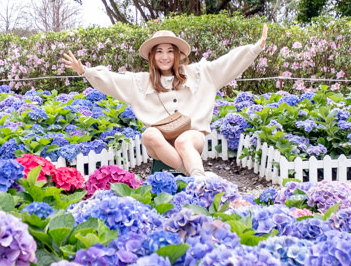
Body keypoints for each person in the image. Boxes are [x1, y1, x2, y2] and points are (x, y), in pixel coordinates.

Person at [62, 25, 268, 179]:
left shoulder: (199, 73)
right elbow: (112, 80)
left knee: (183, 140)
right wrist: (84, 71)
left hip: (192, 138)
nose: (165, 56)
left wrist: (255, 48)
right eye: (159, 51)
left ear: (178, 54)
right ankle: (196, 176)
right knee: (149, 134)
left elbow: (228, 63)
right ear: (152, 56)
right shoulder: (140, 82)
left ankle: (197, 178)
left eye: (170, 51)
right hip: (160, 143)